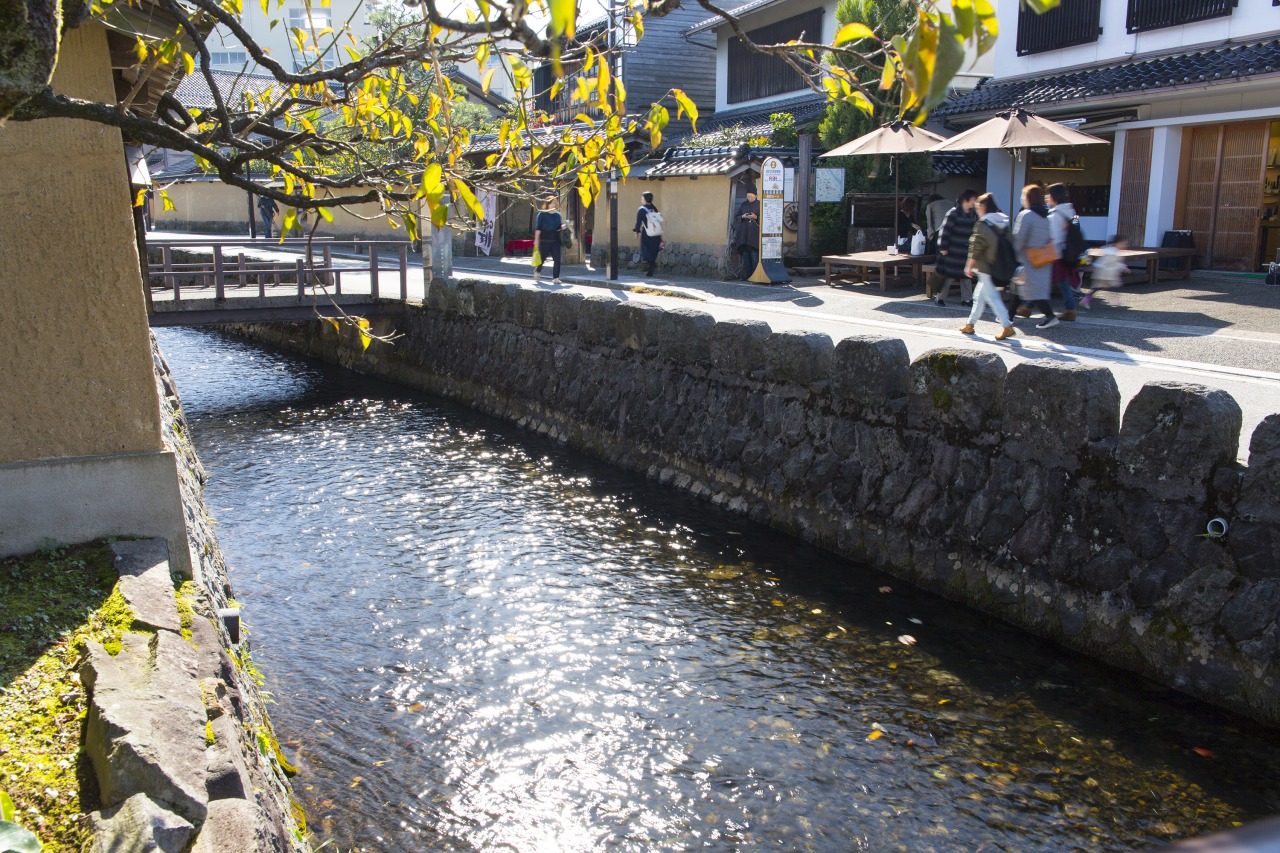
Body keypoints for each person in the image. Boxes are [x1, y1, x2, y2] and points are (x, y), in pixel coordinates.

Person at [960, 192, 1015, 340]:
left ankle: (1007, 326)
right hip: (999, 264)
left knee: (992, 297)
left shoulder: (983, 223)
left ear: (983, 206)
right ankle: (970, 324)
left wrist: (969, 265)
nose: (977, 210)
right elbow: (1012, 242)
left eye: (978, 207)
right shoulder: (1003, 222)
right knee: (979, 296)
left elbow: (976, 247)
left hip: (985, 266)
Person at [1012, 184, 1059, 329]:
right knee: (1021, 289)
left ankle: (1050, 317)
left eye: (1022, 196)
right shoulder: (1046, 215)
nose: (1021, 198)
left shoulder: (1026, 215)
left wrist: (1013, 255)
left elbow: (1018, 238)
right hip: (1043, 258)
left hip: (1028, 259)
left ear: (1027, 198)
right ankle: (1008, 316)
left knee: (1029, 291)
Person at [933, 190, 978, 307]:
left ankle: (967, 299)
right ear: (966, 200)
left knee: (966, 276)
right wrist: (943, 247)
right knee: (947, 275)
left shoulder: (973, 214)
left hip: (965, 250)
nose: (974, 202)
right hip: (951, 250)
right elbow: (944, 231)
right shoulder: (953, 213)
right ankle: (939, 298)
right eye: (973, 199)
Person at [1047, 182, 1079, 321]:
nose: (1046, 198)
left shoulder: (1055, 214)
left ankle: (1028, 307)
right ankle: (1069, 309)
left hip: (1055, 253)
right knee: (1062, 281)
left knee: (1048, 281)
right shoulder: (1069, 211)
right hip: (1067, 252)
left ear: (1053, 196)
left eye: (1048, 195)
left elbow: (1054, 236)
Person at [1080, 234, 1130, 308]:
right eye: (1123, 244)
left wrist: (1124, 268)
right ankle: (1086, 300)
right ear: (1117, 243)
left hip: (1107, 275)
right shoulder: (1111, 253)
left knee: (1098, 288)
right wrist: (1094, 267)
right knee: (1108, 287)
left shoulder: (1113, 252)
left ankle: (1085, 300)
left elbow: (1116, 263)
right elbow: (1103, 262)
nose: (1124, 246)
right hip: (1105, 275)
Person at [533, 195, 566, 283]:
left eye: (554, 203)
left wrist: (563, 226)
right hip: (544, 240)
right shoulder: (542, 214)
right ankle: (537, 271)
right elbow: (538, 228)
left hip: (555, 240)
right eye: (551, 203)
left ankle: (555, 278)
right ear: (547, 204)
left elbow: (559, 226)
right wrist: (536, 240)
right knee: (542, 259)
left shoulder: (558, 215)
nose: (553, 205)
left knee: (557, 259)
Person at [633, 191, 664, 277]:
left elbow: (638, 222)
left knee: (646, 249)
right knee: (654, 250)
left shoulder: (641, 209)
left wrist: (636, 232)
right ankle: (651, 267)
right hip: (656, 233)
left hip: (647, 233)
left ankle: (649, 264)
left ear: (645, 198)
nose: (641, 198)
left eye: (642, 197)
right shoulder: (654, 209)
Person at [733, 185, 760, 280]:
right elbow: (736, 217)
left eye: (752, 196)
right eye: (748, 196)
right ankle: (748, 274)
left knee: (754, 255)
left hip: (754, 235)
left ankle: (755, 275)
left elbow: (765, 219)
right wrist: (743, 216)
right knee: (746, 254)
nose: (750, 198)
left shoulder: (760, 204)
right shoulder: (743, 204)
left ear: (756, 196)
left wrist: (756, 217)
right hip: (744, 235)